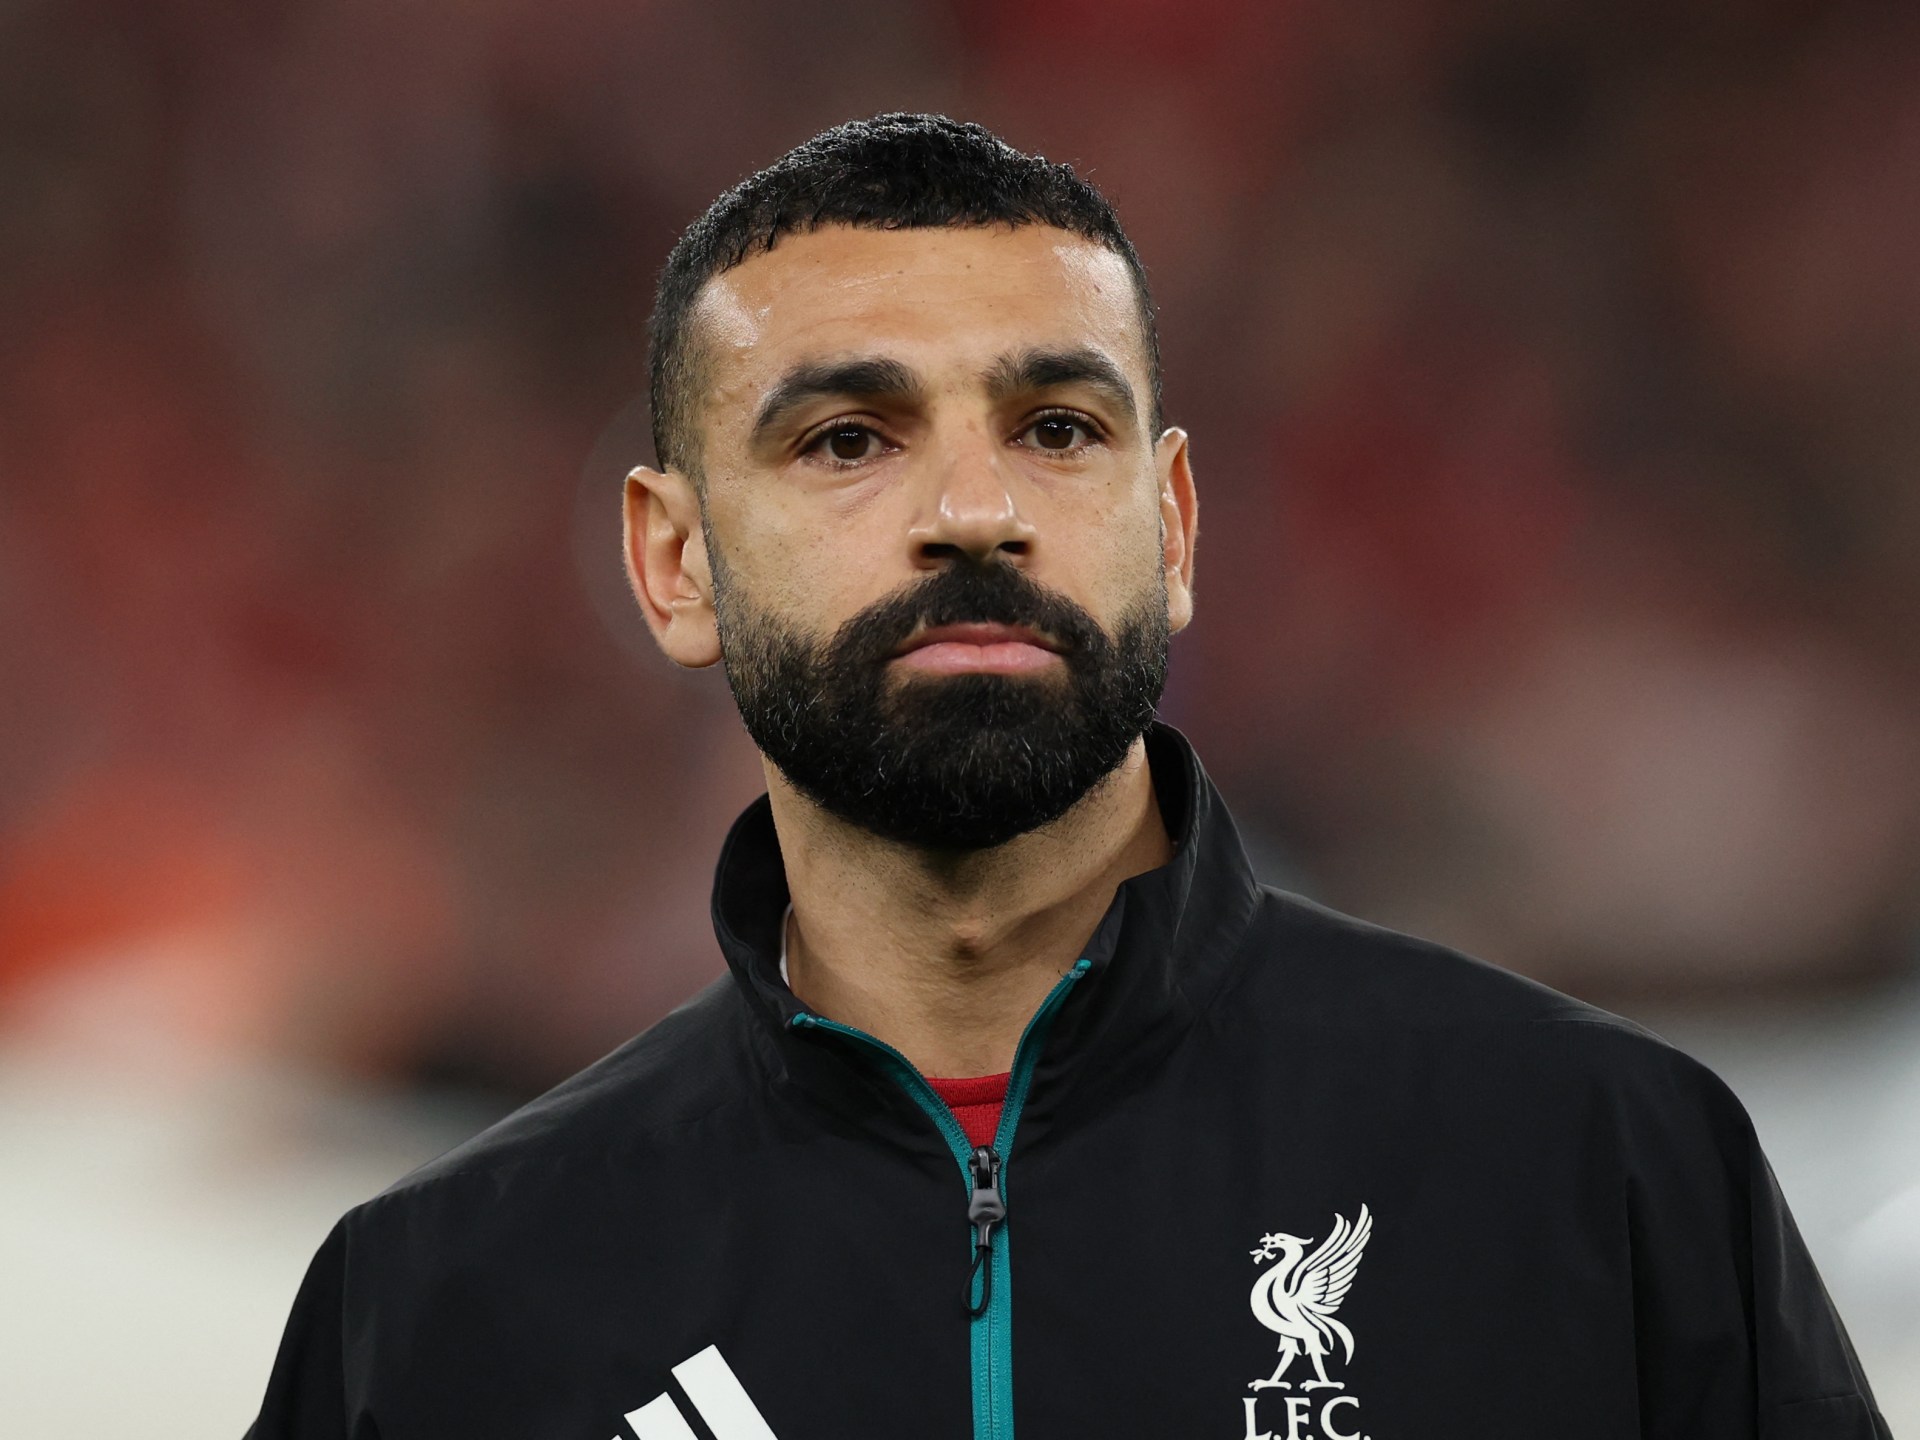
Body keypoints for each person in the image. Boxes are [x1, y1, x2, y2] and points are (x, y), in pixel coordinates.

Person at [246, 113, 1891, 1440]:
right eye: (848, 439)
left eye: (1055, 428)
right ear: (674, 564)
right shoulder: (448, 1308)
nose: (976, 511)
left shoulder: (1598, 1176)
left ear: (1171, 529)